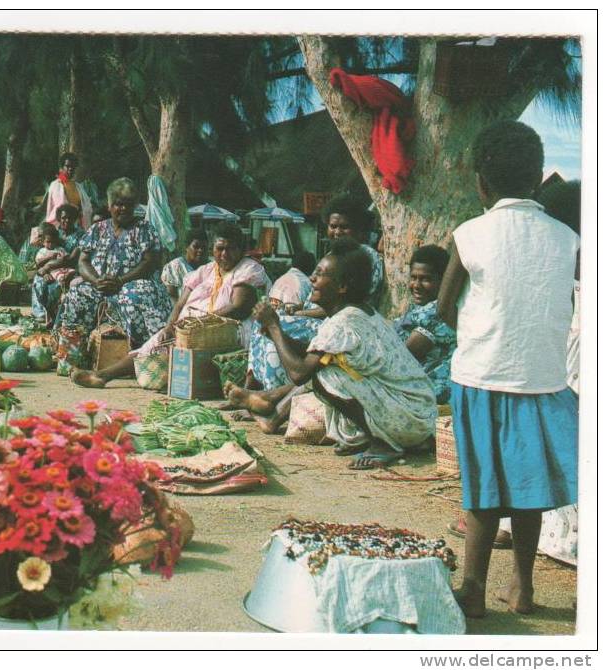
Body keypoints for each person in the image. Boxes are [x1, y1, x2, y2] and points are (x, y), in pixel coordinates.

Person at [436, 121, 578, 619]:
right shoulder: (568, 239)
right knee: (528, 487)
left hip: (481, 375)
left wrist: (479, 331)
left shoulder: (469, 233)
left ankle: (472, 585)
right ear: (539, 177)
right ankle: (522, 587)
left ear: (480, 182)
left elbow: (443, 306)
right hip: (543, 379)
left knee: (483, 488)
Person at [226, 238, 436, 468]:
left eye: (320, 274)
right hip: (418, 416)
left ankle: (384, 443)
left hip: (410, 419)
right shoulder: (358, 313)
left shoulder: (342, 323)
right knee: (325, 364)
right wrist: (274, 333)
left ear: (342, 286)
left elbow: (299, 373)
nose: (312, 279)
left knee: (325, 376)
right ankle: (274, 405)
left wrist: (275, 326)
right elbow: (311, 355)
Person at [71, 221, 270, 389]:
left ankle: (106, 375)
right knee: (154, 345)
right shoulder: (206, 270)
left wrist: (200, 323)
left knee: (175, 347)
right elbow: (180, 303)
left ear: (241, 250)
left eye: (230, 249)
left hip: (225, 329)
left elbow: (238, 307)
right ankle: (103, 375)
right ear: (213, 249)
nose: (224, 254)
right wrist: (170, 327)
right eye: (220, 249)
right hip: (190, 328)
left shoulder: (249, 269)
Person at [57, 177, 172, 348]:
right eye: (118, 204)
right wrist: (96, 281)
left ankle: (145, 351)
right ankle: (74, 351)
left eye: (128, 204)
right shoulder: (97, 229)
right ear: (110, 206)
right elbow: (83, 261)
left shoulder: (145, 229)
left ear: (135, 206)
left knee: (134, 294)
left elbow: (149, 263)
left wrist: (120, 281)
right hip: (100, 285)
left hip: (132, 284)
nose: (123, 208)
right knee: (77, 293)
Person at [246, 251, 321, 391]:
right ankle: (254, 381)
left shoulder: (284, 279)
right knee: (263, 323)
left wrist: (298, 311)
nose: (315, 277)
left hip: (306, 319)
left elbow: (322, 311)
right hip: (295, 315)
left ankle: (268, 389)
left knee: (275, 325)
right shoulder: (306, 282)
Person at [392, 245, 456, 404]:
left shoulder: (437, 312)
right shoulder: (421, 308)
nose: (416, 285)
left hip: (428, 391)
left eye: (426, 279)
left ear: (444, 281)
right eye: (413, 278)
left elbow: (402, 358)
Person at [320, 194, 384, 307]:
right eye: (333, 226)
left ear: (359, 229)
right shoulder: (332, 255)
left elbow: (354, 305)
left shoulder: (368, 257)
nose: (337, 232)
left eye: (344, 227)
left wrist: (301, 313)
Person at [31, 205, 84, 325]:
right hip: (50, 270)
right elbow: (42, 255)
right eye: (64, 218)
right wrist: (45, 271)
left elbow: (72, 259)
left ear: (75, 219)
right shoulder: (54, 232)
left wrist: (48, 267)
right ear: (59, 218)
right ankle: (40, 314)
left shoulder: (81, 235)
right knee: (39, 279)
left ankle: (55, 317)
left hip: (70, 270)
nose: (67, 220)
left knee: (55, 286)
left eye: (70, 218)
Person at [45, 152, 94, 233]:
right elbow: (55, 209)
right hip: (60, 228)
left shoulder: (78, 187)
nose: (70, 169)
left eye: (73, 167)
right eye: (67, 166)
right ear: (62, 167)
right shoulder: (55, 185)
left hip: (78, 227)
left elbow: (87, 207)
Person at [161, 228, 209, 302]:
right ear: (187, 247)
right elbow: (172, 296)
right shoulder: (176, 266)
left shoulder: (211, 267)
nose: (200, 250)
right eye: (196, 247)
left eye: (203, 247)